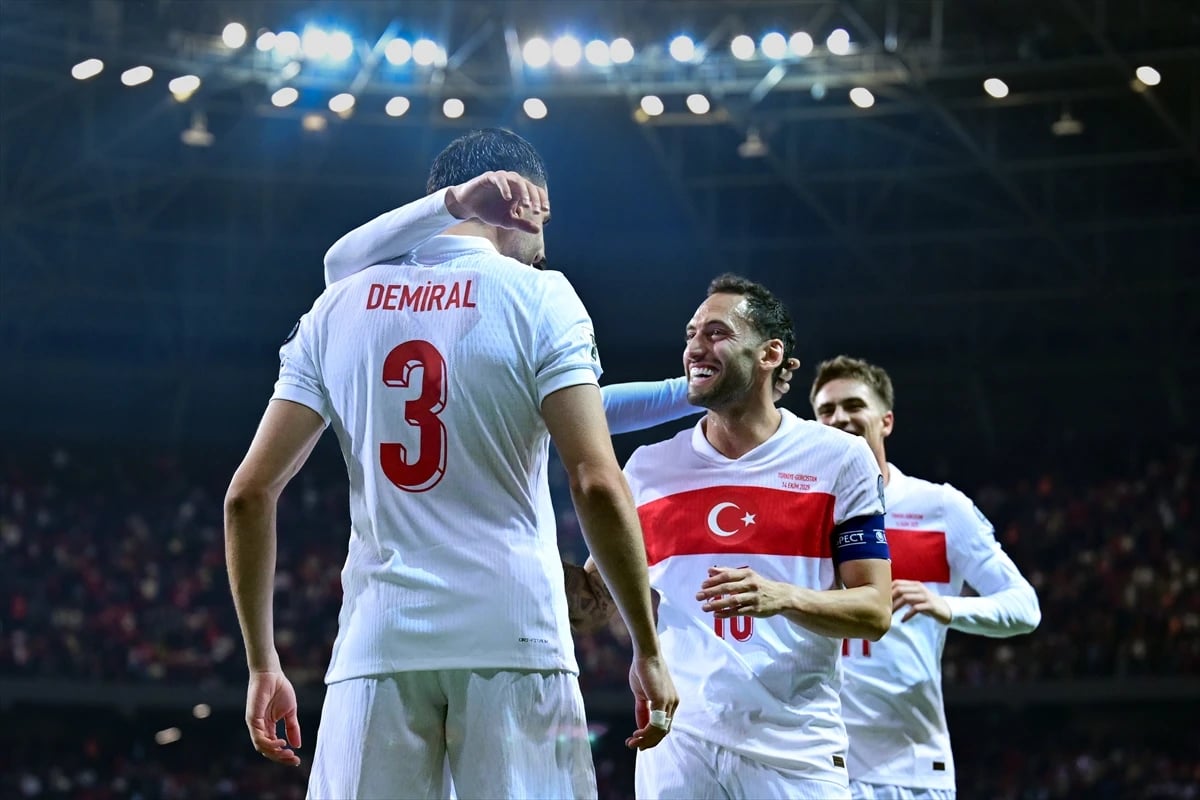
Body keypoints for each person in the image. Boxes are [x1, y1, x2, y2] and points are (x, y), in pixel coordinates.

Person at [224, 128, 677, 800]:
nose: (544, 247)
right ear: (523, 204)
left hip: (377, 644)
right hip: (513, 634)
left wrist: (263, 665)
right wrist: (646, 647)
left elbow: (248, 496)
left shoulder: (336, 306)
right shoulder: (541, 296)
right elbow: (595, 481)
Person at [617, 274, 893, 800]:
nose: (695, 347)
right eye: (691, 334)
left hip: (796, 754)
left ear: (770, 354)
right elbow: (602, 596)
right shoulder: (648, 468)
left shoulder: (838, 458)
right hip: (677, 750)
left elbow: (875, 611)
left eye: (717, 333)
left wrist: (781, 596)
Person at [809, 356, 1041, 800]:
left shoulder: (940, 508)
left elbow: (1024, 607)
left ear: (886, 421)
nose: (839, 418)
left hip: (907, 770)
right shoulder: (801, 513)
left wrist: (946, 606)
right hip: (811, 765)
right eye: (826, 410)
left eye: (854, 405)